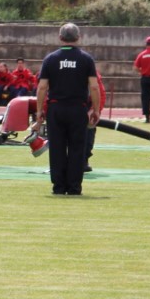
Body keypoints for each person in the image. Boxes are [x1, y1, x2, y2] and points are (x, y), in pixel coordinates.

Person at [31, 22, 101, 196]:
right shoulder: (86, 59)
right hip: (78, 108)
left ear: (60, 37)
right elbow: (94, 86)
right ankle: (75, 187)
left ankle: (59, 187)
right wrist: (96, 109)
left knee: (57, 148)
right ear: (78, 37)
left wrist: (39, 111)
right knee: (77, 148)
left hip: (56, 108)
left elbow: (42, 87)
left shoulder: (50, 59)